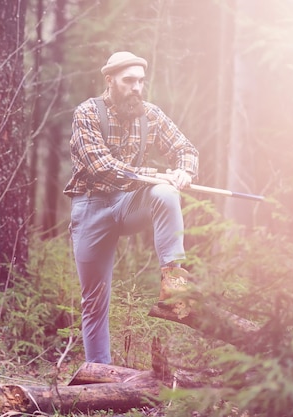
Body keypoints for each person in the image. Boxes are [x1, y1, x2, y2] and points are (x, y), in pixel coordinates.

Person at [63, 51, 199, 364]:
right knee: (94, 301)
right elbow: (100, 166)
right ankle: (100, 374)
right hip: (91, 207)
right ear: (109, 80)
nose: (136, 87)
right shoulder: (87, 113)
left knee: (166, 192)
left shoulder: (151, 114)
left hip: (128, 204)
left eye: (140, 81)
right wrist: (151, 173)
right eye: (129, 81)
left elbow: (185, 150)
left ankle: (174, 283)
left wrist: (184, 171)